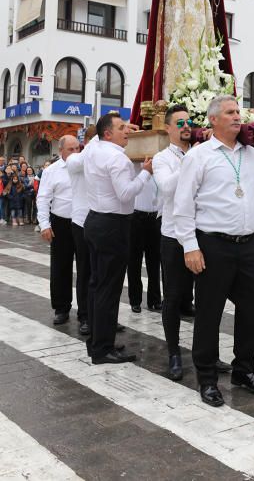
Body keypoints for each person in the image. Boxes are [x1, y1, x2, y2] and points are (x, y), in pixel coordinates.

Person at [173, 95, 254, 407]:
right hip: (213, 243)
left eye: (239, 112)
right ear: (213, 119)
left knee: (252, 310)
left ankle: (244, 371)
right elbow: (183, 205)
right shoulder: (200, 156)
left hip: (250, 244)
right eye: (230, 112)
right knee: (209, 312)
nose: (238, 117)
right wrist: (190, 246)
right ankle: (207, 378)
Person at [83, 112, 154, 365]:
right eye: (122, 128)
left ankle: (96, 342)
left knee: (97, 285)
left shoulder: (93, 150)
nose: (128, 131)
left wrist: (122, 125)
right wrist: (145, 172)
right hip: (113, 225)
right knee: (108, 289)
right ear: (107, 134)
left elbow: (93, 140)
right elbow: (126, 194)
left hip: (95, 221)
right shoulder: (117, 158)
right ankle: (103, 348)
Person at [153, 104, 209, 381]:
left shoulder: (201, 154)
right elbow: (167, 188)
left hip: (202, 234)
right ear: (168, 128)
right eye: (180, 123)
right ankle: (174, 353)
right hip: (174, 236)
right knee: (173, 297)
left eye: (189, 122)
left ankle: (206, 353)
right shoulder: (163, 158)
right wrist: (193, 157)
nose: (186, 126)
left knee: (207, 297)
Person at [36, 135, 80, 324]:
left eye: (78, 148)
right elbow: (43, 198)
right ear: (61, 150)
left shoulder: (85, 167)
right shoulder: (51, 171)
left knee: (87, 269)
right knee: (61, 267)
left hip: (83, 223)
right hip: (60, 222)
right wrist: (45, 225)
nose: (76, 153)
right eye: (71, 149)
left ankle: (85, 312)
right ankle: (61, 308)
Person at [65, 126, 97, 336]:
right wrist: (97, 142)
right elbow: (79, 160)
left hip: (101, 222)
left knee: (100, 273)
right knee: (85, 271)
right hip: (81, 222)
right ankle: (84, 315)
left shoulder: (99, 157)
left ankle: (98, 315)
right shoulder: (75, 160)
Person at [128, 163, 163, 314]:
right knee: (134, 261)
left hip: (154, 218)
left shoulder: (160, 168)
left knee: (154, 261)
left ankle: (154, 299)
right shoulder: (134, 166)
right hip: (136, 217)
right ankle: (135, 300)